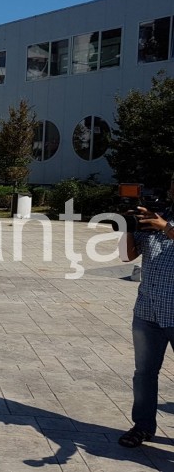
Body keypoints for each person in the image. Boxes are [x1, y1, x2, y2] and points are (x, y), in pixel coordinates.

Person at [118, 175, 174, 448]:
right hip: (147, 311)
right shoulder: (154, 214)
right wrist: (128, 227)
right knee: (144, 374)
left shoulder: (162, 221)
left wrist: (166, 228)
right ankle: (142, 427)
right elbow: (127, 256)